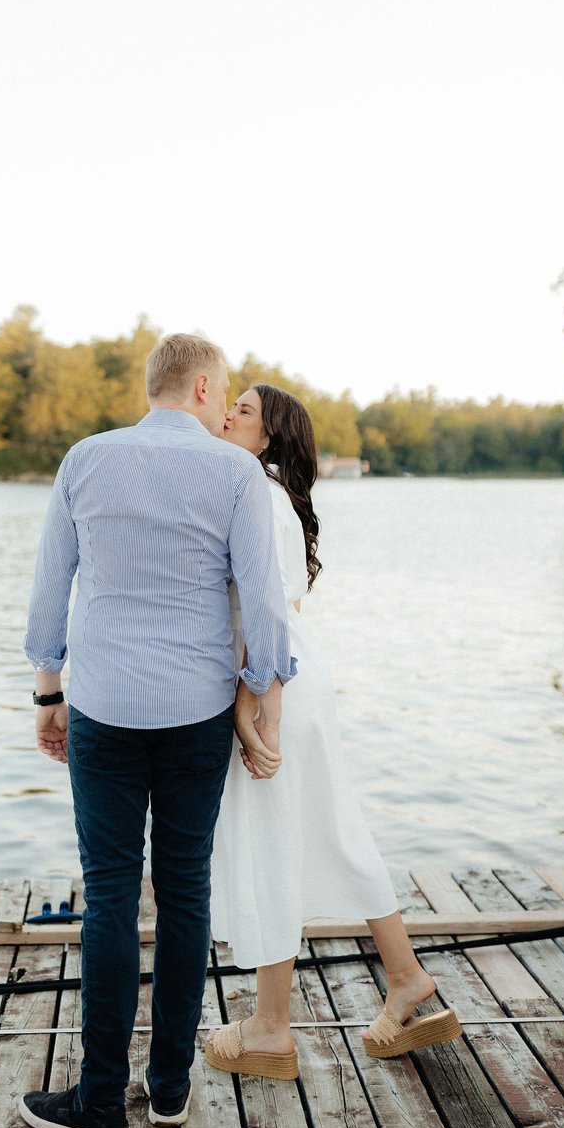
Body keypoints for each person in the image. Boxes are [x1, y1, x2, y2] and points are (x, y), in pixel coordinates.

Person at [19, 335, 297, 1128]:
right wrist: (261, 705)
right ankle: (170, 1087)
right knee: (184, 894)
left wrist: (48, 690)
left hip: (102, 705)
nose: (224, 413)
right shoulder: (236, 473)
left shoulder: (86, 460)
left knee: (108, 896)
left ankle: (101, 1102)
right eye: (223, 399)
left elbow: (50, 584)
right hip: (196, 710)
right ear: (205, 386)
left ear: (156, 387)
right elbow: (265, 601)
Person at [206, 385, 461, 1075]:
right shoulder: (270, 494)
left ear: (270, 437)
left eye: (245, 411)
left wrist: (256, 699)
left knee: (270, 842)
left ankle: (269, 1028)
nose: (228, 415)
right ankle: (406, 978)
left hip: (273, 680)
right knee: (334, 829)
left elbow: (262, 615)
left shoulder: (252, 494)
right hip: (295, 673)